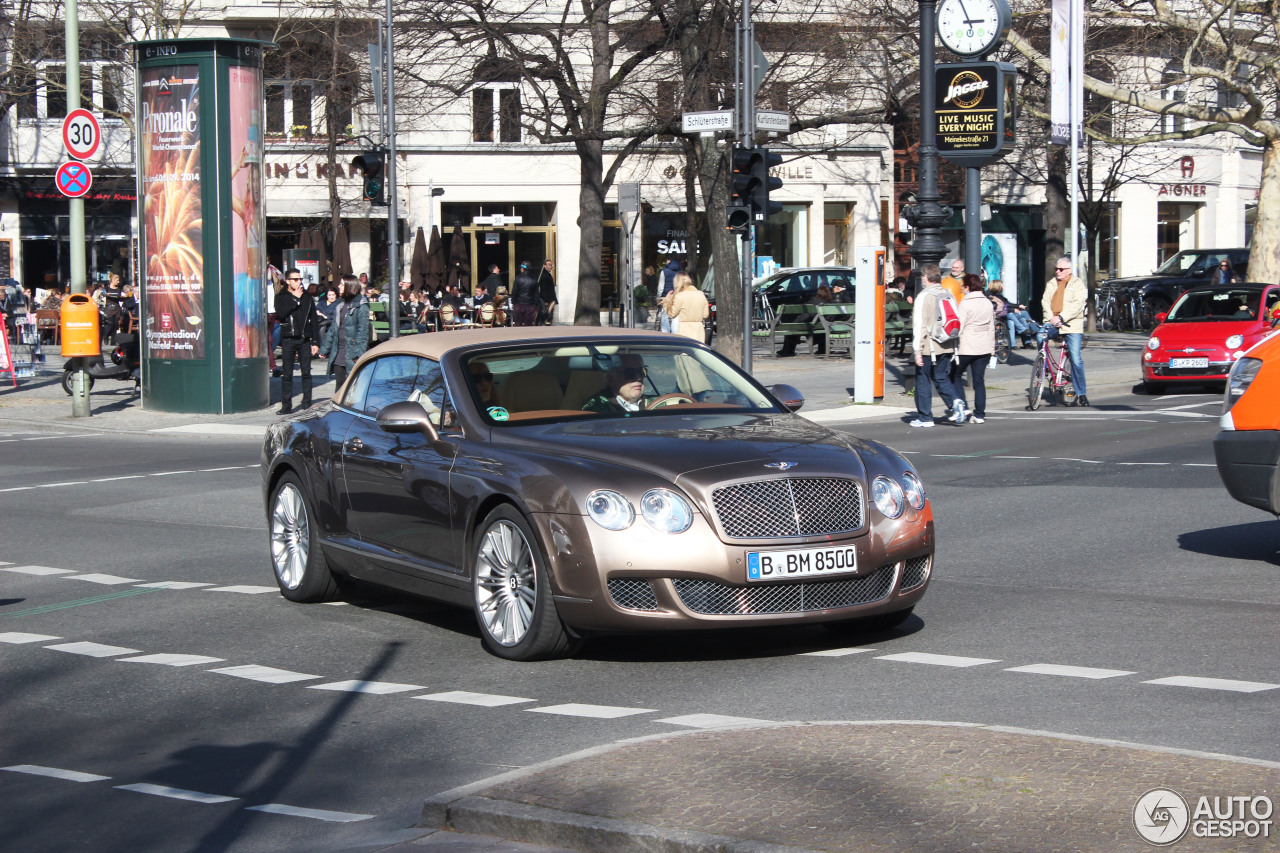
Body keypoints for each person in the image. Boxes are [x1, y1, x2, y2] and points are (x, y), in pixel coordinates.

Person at [909, 263, 964, 428]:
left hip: (929, 345)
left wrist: (917, 350)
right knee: (941, 377)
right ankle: (955, 402)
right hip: (946, 342)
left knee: (923, 379)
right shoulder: (947, 293)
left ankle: (925, 417)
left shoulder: (924, 296)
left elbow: (919, 325)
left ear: (926, 277)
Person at [1042, 257, 1089, 407]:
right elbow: (1045, 301)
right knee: (1039, 336)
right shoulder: (1051, 284)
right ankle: (1044, 368)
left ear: (1069, 271)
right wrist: (1051, 318)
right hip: (1053, 322)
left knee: (1075, 358)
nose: (1057, 271)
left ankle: (1081, 393)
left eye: (1060, 269)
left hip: (1071, 325)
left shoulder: (1078, 285)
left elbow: (1077, 306)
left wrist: (1062, 317)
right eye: (1056, 269)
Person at [274, 268, 321, 414]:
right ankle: (286, 405)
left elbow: (314, 320)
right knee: (287, 374)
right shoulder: (281, 296)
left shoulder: (307, 296)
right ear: (288, 281)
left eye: (300, 279)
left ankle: (307, 403)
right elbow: (281, 315)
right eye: (295, 279)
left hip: (304, 339)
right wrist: (294, 299)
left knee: (306, 372)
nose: (299, 282)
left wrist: (315, 342)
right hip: (288, 339)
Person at [953, 274, 995, 424]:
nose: (963, 289)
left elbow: (960, 326)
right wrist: (992, 347)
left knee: (955, 375)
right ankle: (980, 414)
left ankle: (962, 405)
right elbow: (991, 327)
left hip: (967, 345)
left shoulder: (965, 303)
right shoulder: (987, 303)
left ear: (968, 287)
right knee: (979, 381)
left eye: (964, 286)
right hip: (984, 346)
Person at [319, 280, 370, 389]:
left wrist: (358, 354)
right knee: (339, 384)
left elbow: (363, 331)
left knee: (352, 387)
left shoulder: (361, 306)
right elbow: (333, 329)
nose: (339, 286)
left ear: (350, 286)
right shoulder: (340, 306)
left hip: (352, 352)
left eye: (342, 284)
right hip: (339, 351)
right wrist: (324, 349)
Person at [778, 284, 837, 357]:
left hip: (811, 327)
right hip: (824, 329)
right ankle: (822, 349)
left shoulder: (813, 301)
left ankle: (787, 350)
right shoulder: (830, 304)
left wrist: (795, 323)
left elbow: (805, 315)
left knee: (794, 328)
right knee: (816, 327)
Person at [582, 353, 652, 413]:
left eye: (641, 371)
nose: (639, 377)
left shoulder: (658, 403)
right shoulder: (597, 405)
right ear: (611, 379)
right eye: (630, 373)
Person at [988, 280, 1039, 349]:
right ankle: (1034, 329)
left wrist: (1017, 307)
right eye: (1002, 285)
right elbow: (1003, 308)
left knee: (1020, 320)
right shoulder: (993, 298)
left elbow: (1007, 305)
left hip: (1007, 316)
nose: (1003, 287)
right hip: (1001, 317)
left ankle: (1022, 343)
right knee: (1024, 313)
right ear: (998, 287)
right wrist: (1016, 307)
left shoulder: (1000, 297)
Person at [667, 272, 710, 342]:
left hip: (685, 329)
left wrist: (668, 302)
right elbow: (705, 314)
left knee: (685, 351)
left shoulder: (680, 296)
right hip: (699, 330)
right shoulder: (701, 294)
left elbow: (672, 314)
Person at [511, 260, 539, 326]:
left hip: (519, 304)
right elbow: (536, 293)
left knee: (518, 323)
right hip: (530, 304)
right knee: (528, 324)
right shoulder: (534, 279)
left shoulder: (518, 278)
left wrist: (513, 301)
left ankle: (518, 336)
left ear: (522, 269)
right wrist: (535, 304)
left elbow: (514, 291)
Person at [659, 257, 683, 332]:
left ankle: (665, 333)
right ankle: (674, 333)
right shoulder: (681, 271)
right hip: (678, 295)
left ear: (668, 260)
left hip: (666, 295)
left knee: (665, 315)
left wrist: (659, 297)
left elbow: (661, 286)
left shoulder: (664, 271)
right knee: (675, 315)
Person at [537, 259, 558, 325]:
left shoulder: (547, 274)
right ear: (545, 266)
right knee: (547, 313)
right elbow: (544, 289)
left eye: (551, 265)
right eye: (549, 265)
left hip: (549, 298)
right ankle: (543, 323)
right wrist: (545, 300)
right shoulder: (545, 275)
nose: (551, 266)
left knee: (548, 313)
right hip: (548, 299)